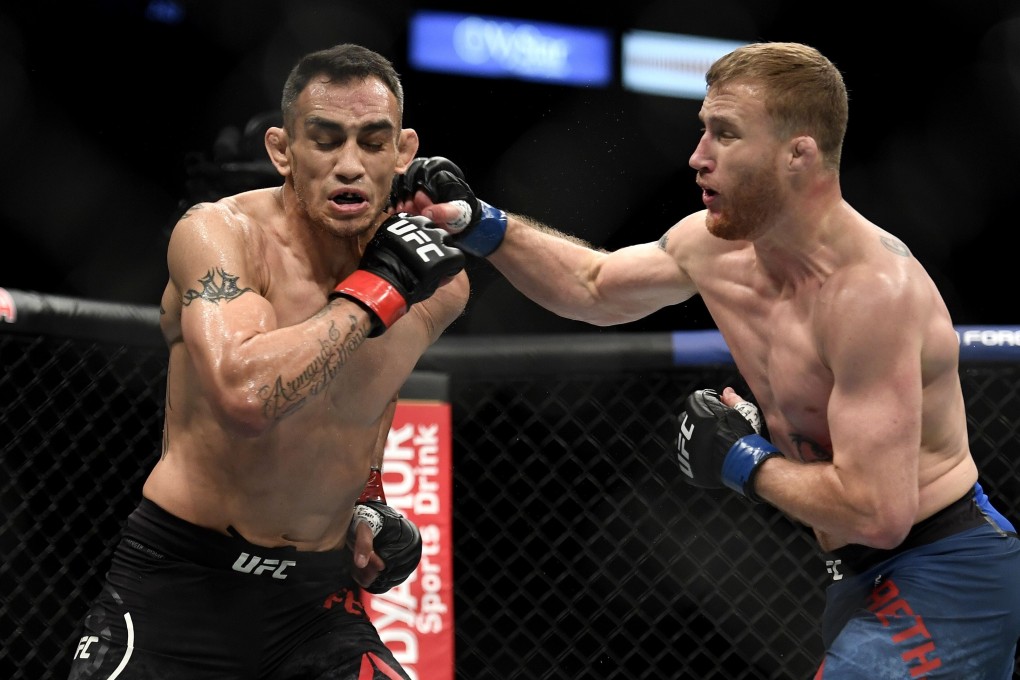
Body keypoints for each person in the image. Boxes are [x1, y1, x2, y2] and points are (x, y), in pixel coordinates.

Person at [390, 41, 1020, 678]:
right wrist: (479, 223)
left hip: (946, 567)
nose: (697, 157)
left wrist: (743, 460)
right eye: (702, 131)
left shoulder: (869, 295)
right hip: (854, 575)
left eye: (725, 134)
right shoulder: (715, 247)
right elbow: (593, 285)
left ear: (798, 153)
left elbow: (879, 512)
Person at [67, 43, 468, 679]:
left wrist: (369, 505)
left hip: (315, 605)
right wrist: (373, 293)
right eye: (326, 139)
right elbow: (247, 396)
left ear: (404, 150)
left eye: (372, 141)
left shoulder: (439, 284)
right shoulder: (219, 236)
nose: (349, 165)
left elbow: (368, 400)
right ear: (283, 150)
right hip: (181, 587)